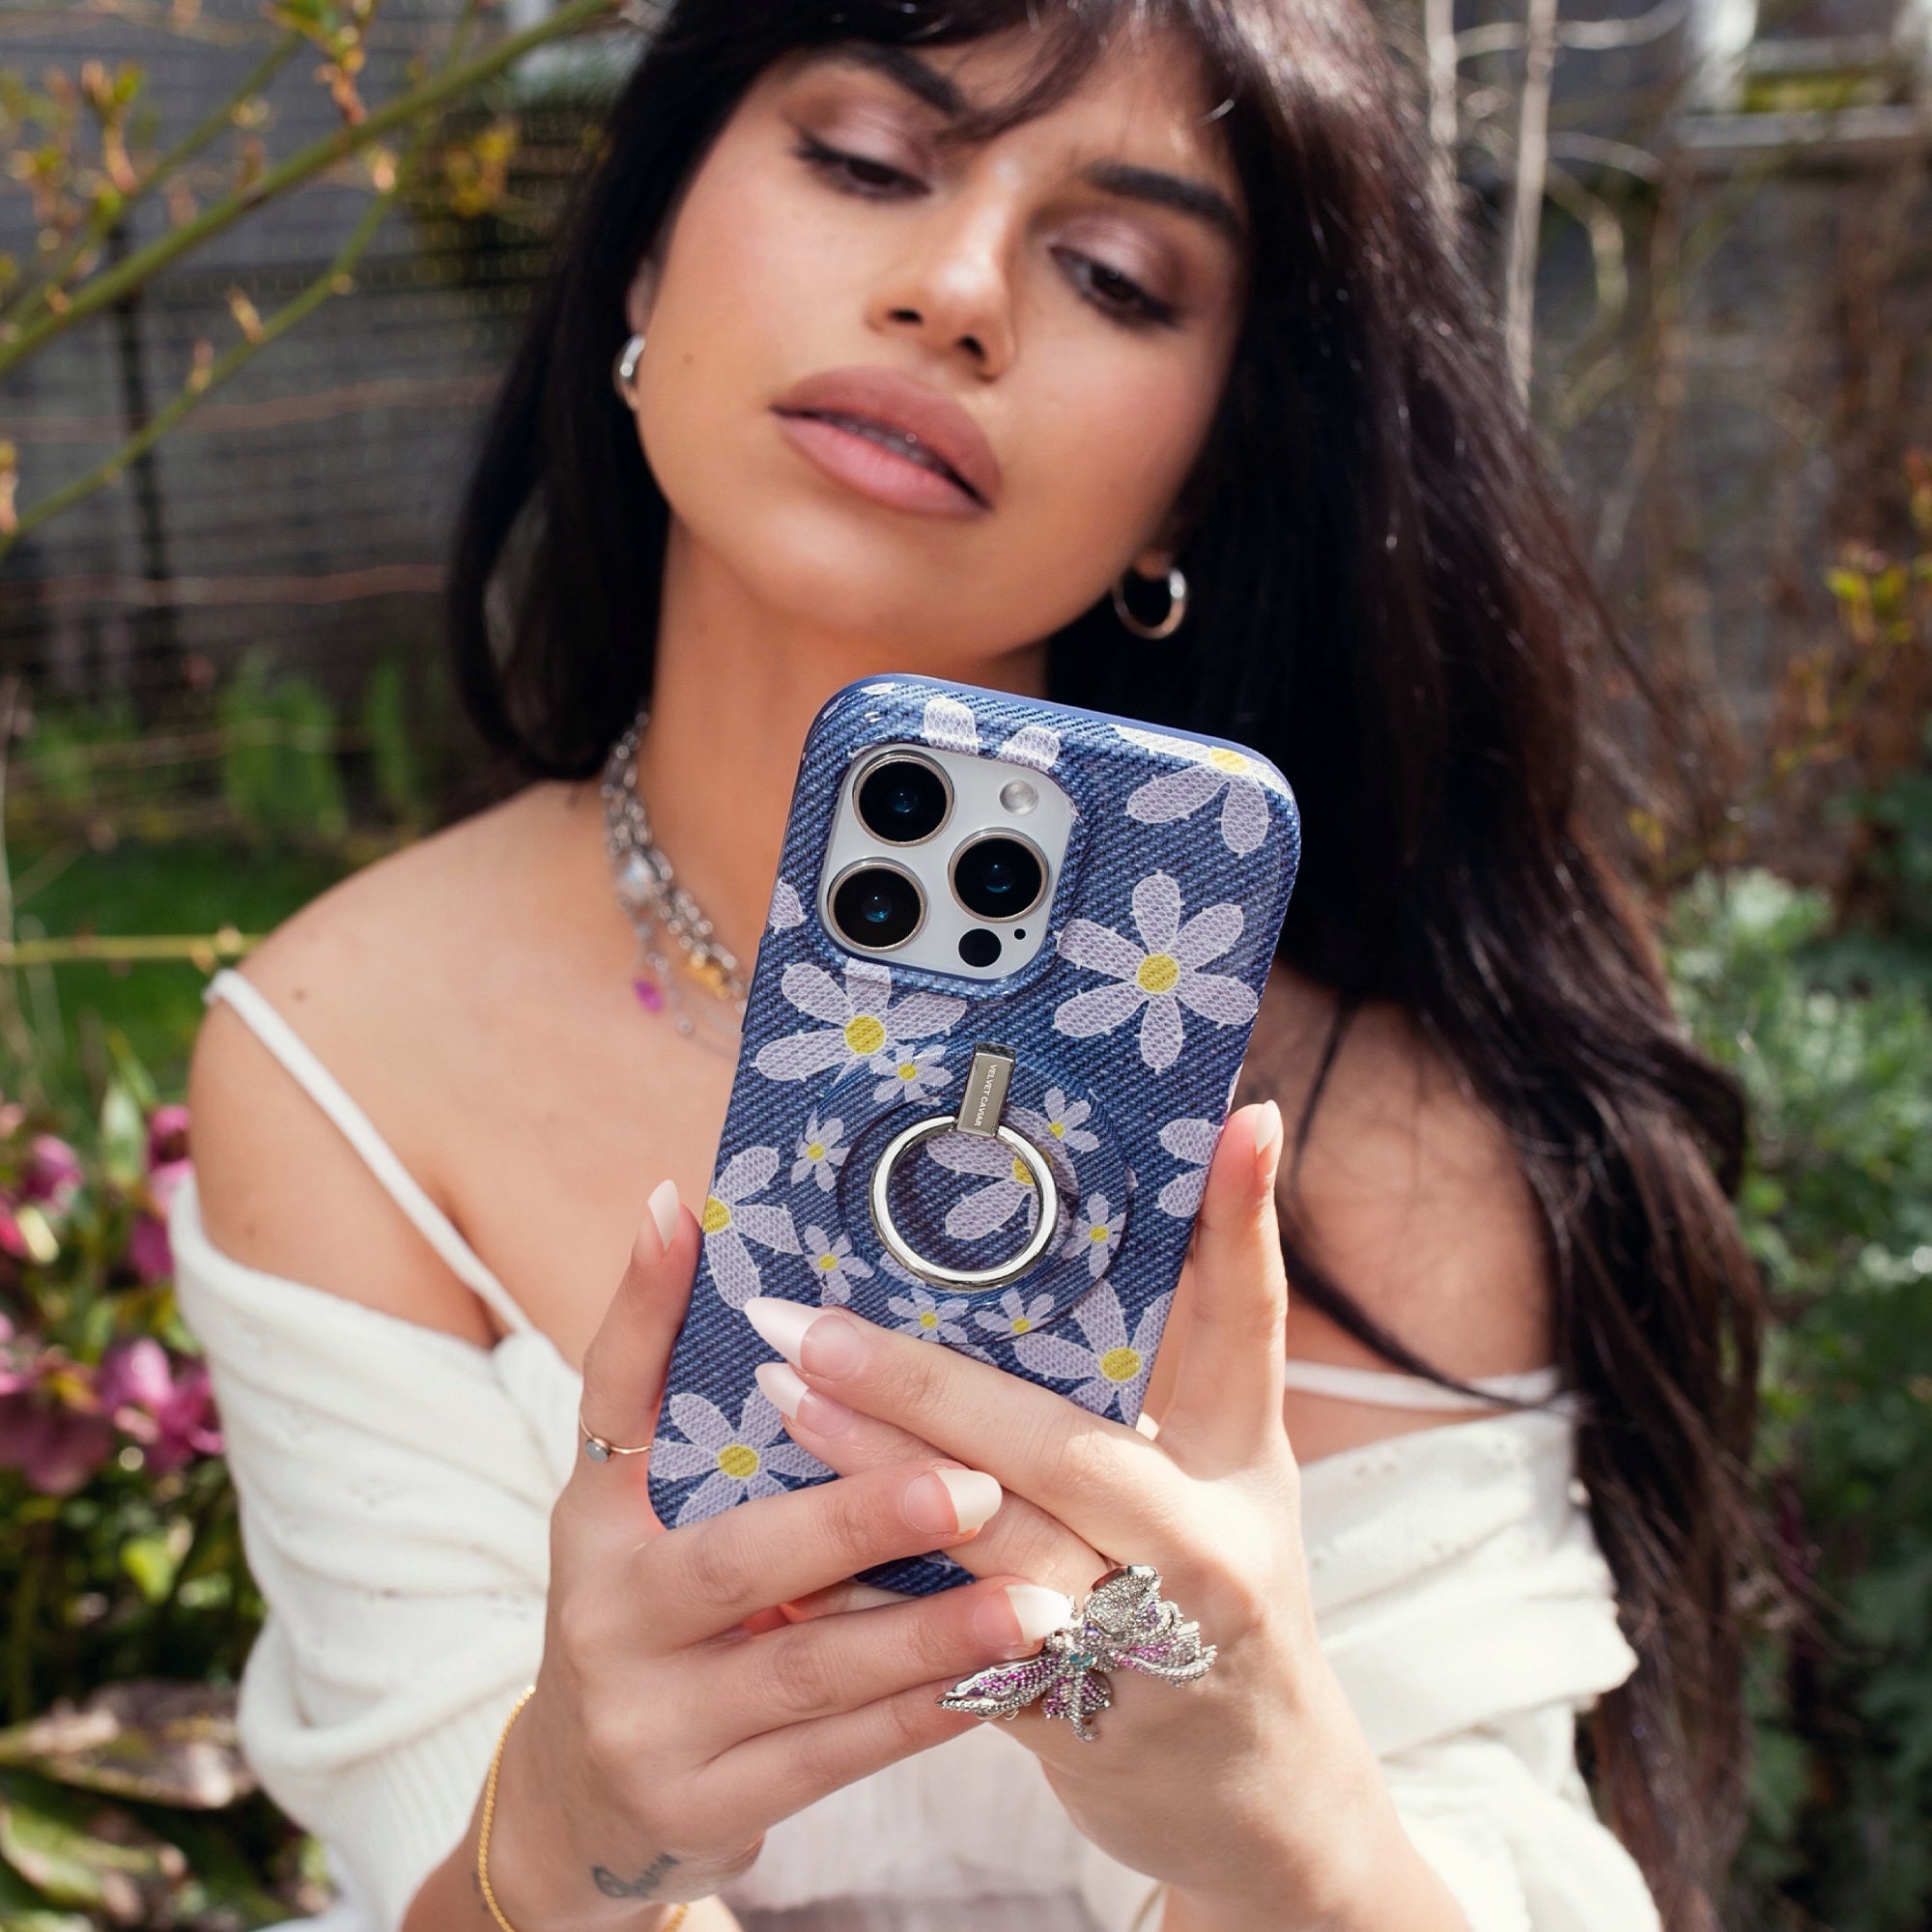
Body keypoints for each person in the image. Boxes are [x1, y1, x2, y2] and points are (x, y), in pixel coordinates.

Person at [171, 4, 1766, 1930]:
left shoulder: (1382, 1129)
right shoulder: (341, 1051)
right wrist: (570, 1828)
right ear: (644, 255)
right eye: (864, 162)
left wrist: (1283, 1827)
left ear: (1200, 471)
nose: (957, 291)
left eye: (1117, 273)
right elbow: (414, 1842)